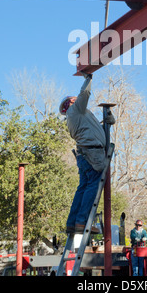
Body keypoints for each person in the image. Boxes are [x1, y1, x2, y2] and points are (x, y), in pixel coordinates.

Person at [59, 73, 107, 235]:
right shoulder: (76, 110)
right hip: (92, 153)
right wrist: (89, 78)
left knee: (83, 187)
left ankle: (73, 222)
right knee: (93, 185)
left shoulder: (75, 117)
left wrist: (107, 122)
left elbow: (92, 128)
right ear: (71, 103)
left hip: (85, 154)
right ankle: (82, 221)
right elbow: (84, 94)